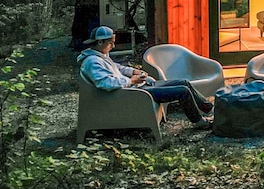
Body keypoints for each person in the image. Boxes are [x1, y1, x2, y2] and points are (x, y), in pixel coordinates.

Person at [78, 26, 213, 126]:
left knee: (184, 82)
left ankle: (208, 108)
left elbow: (117, 68)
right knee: (183, 92)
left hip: (138, 87)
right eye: (111, 43)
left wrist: (133, 72)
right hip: (133, 93)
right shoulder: (92, 62)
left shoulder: (100, 56)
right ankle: (199, 122)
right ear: (100, 42)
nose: (113, 46)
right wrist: (131, 81)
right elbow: (106, 83)